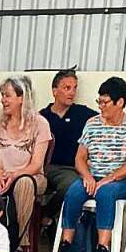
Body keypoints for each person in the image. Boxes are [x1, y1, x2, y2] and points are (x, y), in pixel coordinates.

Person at [54, 77, 126, 252]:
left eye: (105, 102)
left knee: (105, 193)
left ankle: (102, 248)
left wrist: (108, 179)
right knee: (74, 192)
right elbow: (79, 158)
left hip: (120, 180)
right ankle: (66, 244)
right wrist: (87, 176)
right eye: (99, 102)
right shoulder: (92, 123)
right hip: (92, 176)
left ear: (120, 102)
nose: (101, 106)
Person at [0, 75, 52, 252]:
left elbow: (36, 165)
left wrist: (14, 175)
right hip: (1, 173)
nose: (3, 100)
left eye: (7, 95)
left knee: (23, 184)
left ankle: (16, 241)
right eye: (2, 95)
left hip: (31, 176)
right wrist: (1, 173)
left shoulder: (40, 124)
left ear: (21, 98)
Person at [40, 70, 97, 225]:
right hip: (50, 167)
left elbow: (109, 118)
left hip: (76, 167)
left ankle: (46, 214)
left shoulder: (82, 113)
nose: (72, 92)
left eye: (74, 88)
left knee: (77, 184)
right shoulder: (42, 117)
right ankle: (46, 216)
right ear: (54, 91)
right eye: (67, 88)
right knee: (73, 184)